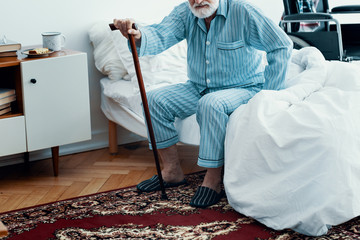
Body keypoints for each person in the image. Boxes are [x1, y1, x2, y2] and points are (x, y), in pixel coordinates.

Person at [113, 0, 292, 208]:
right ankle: (171, 172)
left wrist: (269, 94)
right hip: (197, 86)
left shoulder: (244, 12)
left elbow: (281, 45)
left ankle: (213, 180)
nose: (198, 1)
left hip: (243, 87)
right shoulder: (185, 13)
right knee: (154, 100)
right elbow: (161, 34)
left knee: (210, 104)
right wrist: (138, 34)